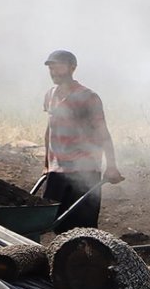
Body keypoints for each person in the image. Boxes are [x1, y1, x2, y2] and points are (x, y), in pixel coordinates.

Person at [41, 50, 124, 234]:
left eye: (58, 66)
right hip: (56, 172)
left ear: (72, 67)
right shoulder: (50, 95)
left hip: (84, 170)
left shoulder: (88, 97)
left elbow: (103, 133)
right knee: (54, 225)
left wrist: (111, 166)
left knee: (83, 228)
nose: (54, 71)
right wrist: (47, 165)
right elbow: (50, 129)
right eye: (51, 67)